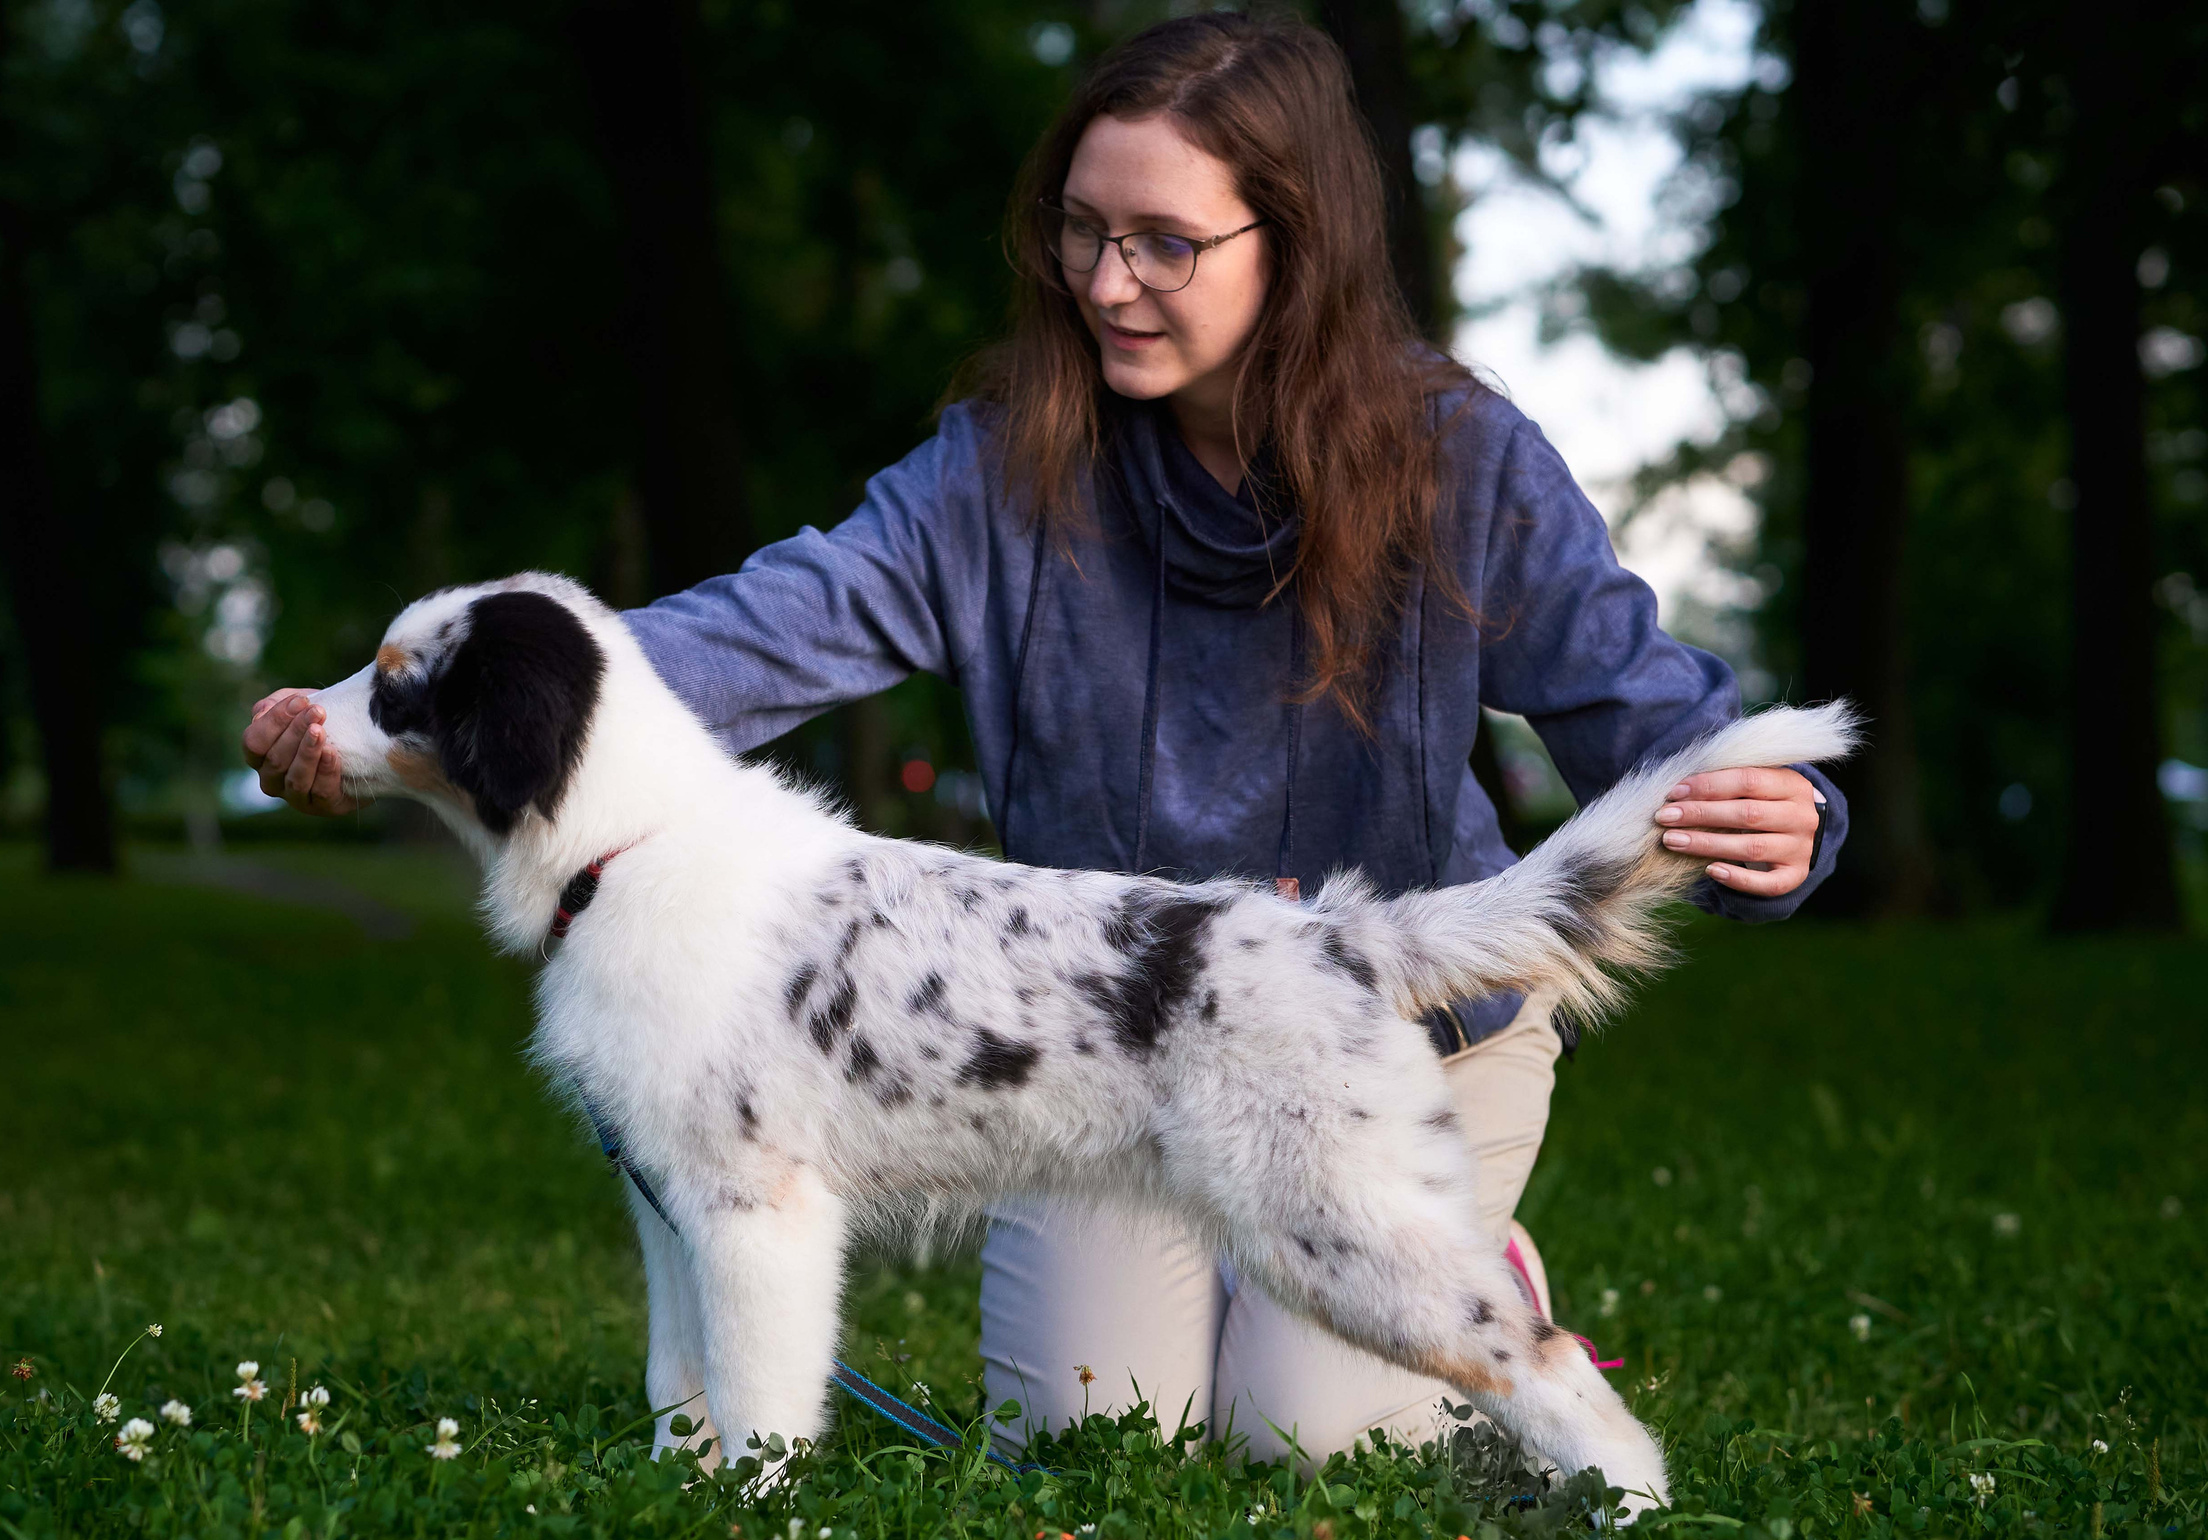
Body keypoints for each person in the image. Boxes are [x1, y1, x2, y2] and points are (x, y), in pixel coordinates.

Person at [243, 13, 1844, 1466]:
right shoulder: (1002, 470)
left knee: (1300, 1442)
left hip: (1397, 1021)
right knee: (1103, 1437)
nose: (1103, 280)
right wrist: (383, 714)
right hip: (1083, 1037)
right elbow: (733, 636)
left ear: (1296, 244)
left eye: (1163, 241)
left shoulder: (1459, 458)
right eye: (1080, 231)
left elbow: (1661, 723)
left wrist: (1788, 825)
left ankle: (1460, 1247)